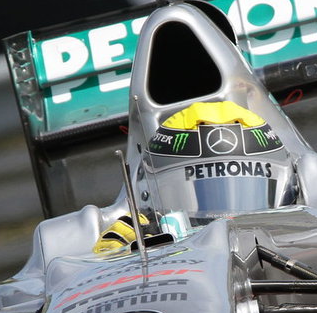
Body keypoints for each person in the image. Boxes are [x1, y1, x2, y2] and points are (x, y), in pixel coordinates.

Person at [92, 99, 302, 254]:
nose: (224, 220)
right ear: (149, 194)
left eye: (245, 191)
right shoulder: (136, 231)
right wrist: (118, 259)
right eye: (207, 196)